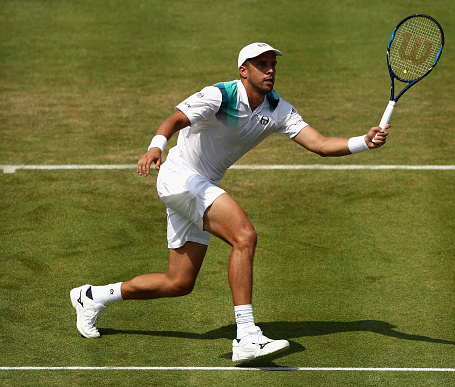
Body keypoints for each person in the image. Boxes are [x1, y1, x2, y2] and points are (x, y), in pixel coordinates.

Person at [70, 42, 389, 362]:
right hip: (180, 177)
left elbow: (319, 144)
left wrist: (364, 142)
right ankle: (247, 335)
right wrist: (156, 146)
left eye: (272, 64)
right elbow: (175, 120)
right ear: (243, 70)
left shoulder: (278, 108)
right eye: (261, 64)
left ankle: (92, 296)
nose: (270, 70)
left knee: (178, 282)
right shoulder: (220, 95)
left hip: (199, 184)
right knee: (244, 236)